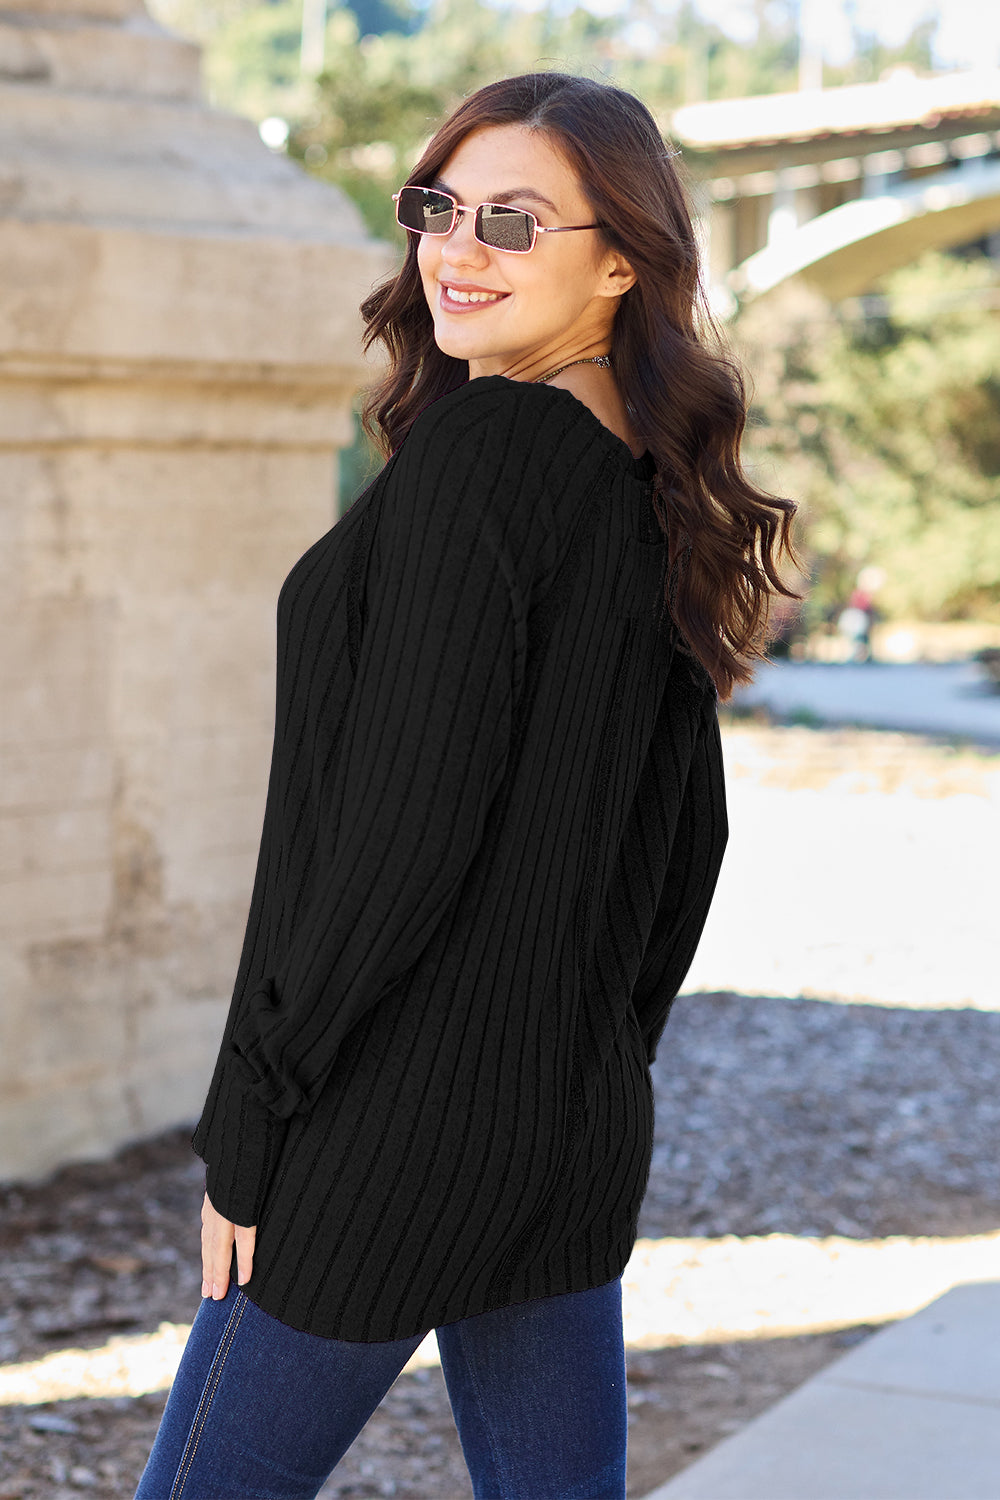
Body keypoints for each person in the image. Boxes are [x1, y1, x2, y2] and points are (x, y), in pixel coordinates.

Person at [135, 70, 797, 1500]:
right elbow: (689, 845)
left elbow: (395, 838)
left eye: (512, 220)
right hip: (562, 1124)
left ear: (621, 258)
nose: (457, 248)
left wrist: (253, 1118)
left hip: (383, 1131)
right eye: (441, 207)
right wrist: (592, 1055)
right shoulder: (650, 488)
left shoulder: (485, 461)